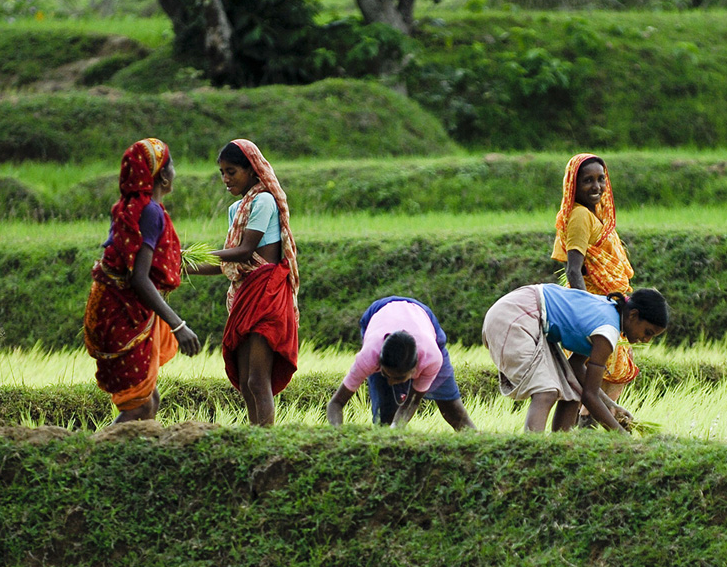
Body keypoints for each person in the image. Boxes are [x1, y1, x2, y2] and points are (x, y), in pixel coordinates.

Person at [84, 138, 201, 422]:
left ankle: (135, 460)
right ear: (163, 175)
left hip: (110, 305)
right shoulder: (149, 212)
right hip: (122, 311)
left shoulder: (131, 206)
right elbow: (139, 277)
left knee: (149, 399)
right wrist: (178, 325)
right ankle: (93, 456)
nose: (174, 172)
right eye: (171, 165)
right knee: (138, 405)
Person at [184, 139, 299, 426]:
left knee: (259, 380)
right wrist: (183, 266)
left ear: (251, 170)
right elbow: (229, 263)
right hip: (247, 294)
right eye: (222, 172)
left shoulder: (264, 201)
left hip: (267, 294)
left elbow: (246, 250)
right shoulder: (236, 210)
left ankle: (266, 441)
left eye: (231, 171)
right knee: (247, 383)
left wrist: (192, 253)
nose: (225, 179)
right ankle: (254, 437)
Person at [482, 284, 668, 433]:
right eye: (647, 332)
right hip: (515, 315)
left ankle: (561, 449)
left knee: (571, 392)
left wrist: (612, 406)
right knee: (545, 391)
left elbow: (576, 367)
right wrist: (620, 434)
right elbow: (590, 396)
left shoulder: (609, 313)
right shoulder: (607, 332)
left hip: (527, 315)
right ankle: (533, 455)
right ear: (633, 315)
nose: (646, 340)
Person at [550, 154, 640, 408]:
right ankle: (592, 425)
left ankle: (596, 424)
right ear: (573, 186)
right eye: (588, 180)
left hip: (607, 305)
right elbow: (574, 270)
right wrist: (587, 310)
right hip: (595, 306)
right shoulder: (580, 216)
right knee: (598, 375)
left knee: (607, 375)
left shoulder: (596, 215)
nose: (596, 186)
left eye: (601, 179)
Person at [326, 296, 475, 431]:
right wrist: (338, 435)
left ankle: (476, 445)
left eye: (398, 378)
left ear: (415, 370)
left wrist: (396, 428)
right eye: (385, 374)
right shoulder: (368, 357)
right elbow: (336, 403)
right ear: (379, 363)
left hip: (421, 316)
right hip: (378, 312)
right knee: (385, 413)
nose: (391, 382)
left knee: (452, 409)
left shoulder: (431, 358)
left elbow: (412, 402)